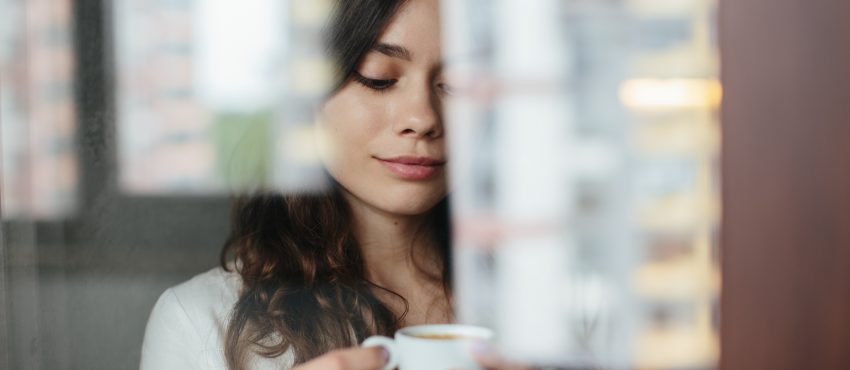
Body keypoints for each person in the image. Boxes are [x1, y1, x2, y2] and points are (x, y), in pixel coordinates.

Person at [140, 0, 480, 369]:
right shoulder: (200, 323)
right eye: (378, 78)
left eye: (455, 84)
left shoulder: (535, 299)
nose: (423, 118)